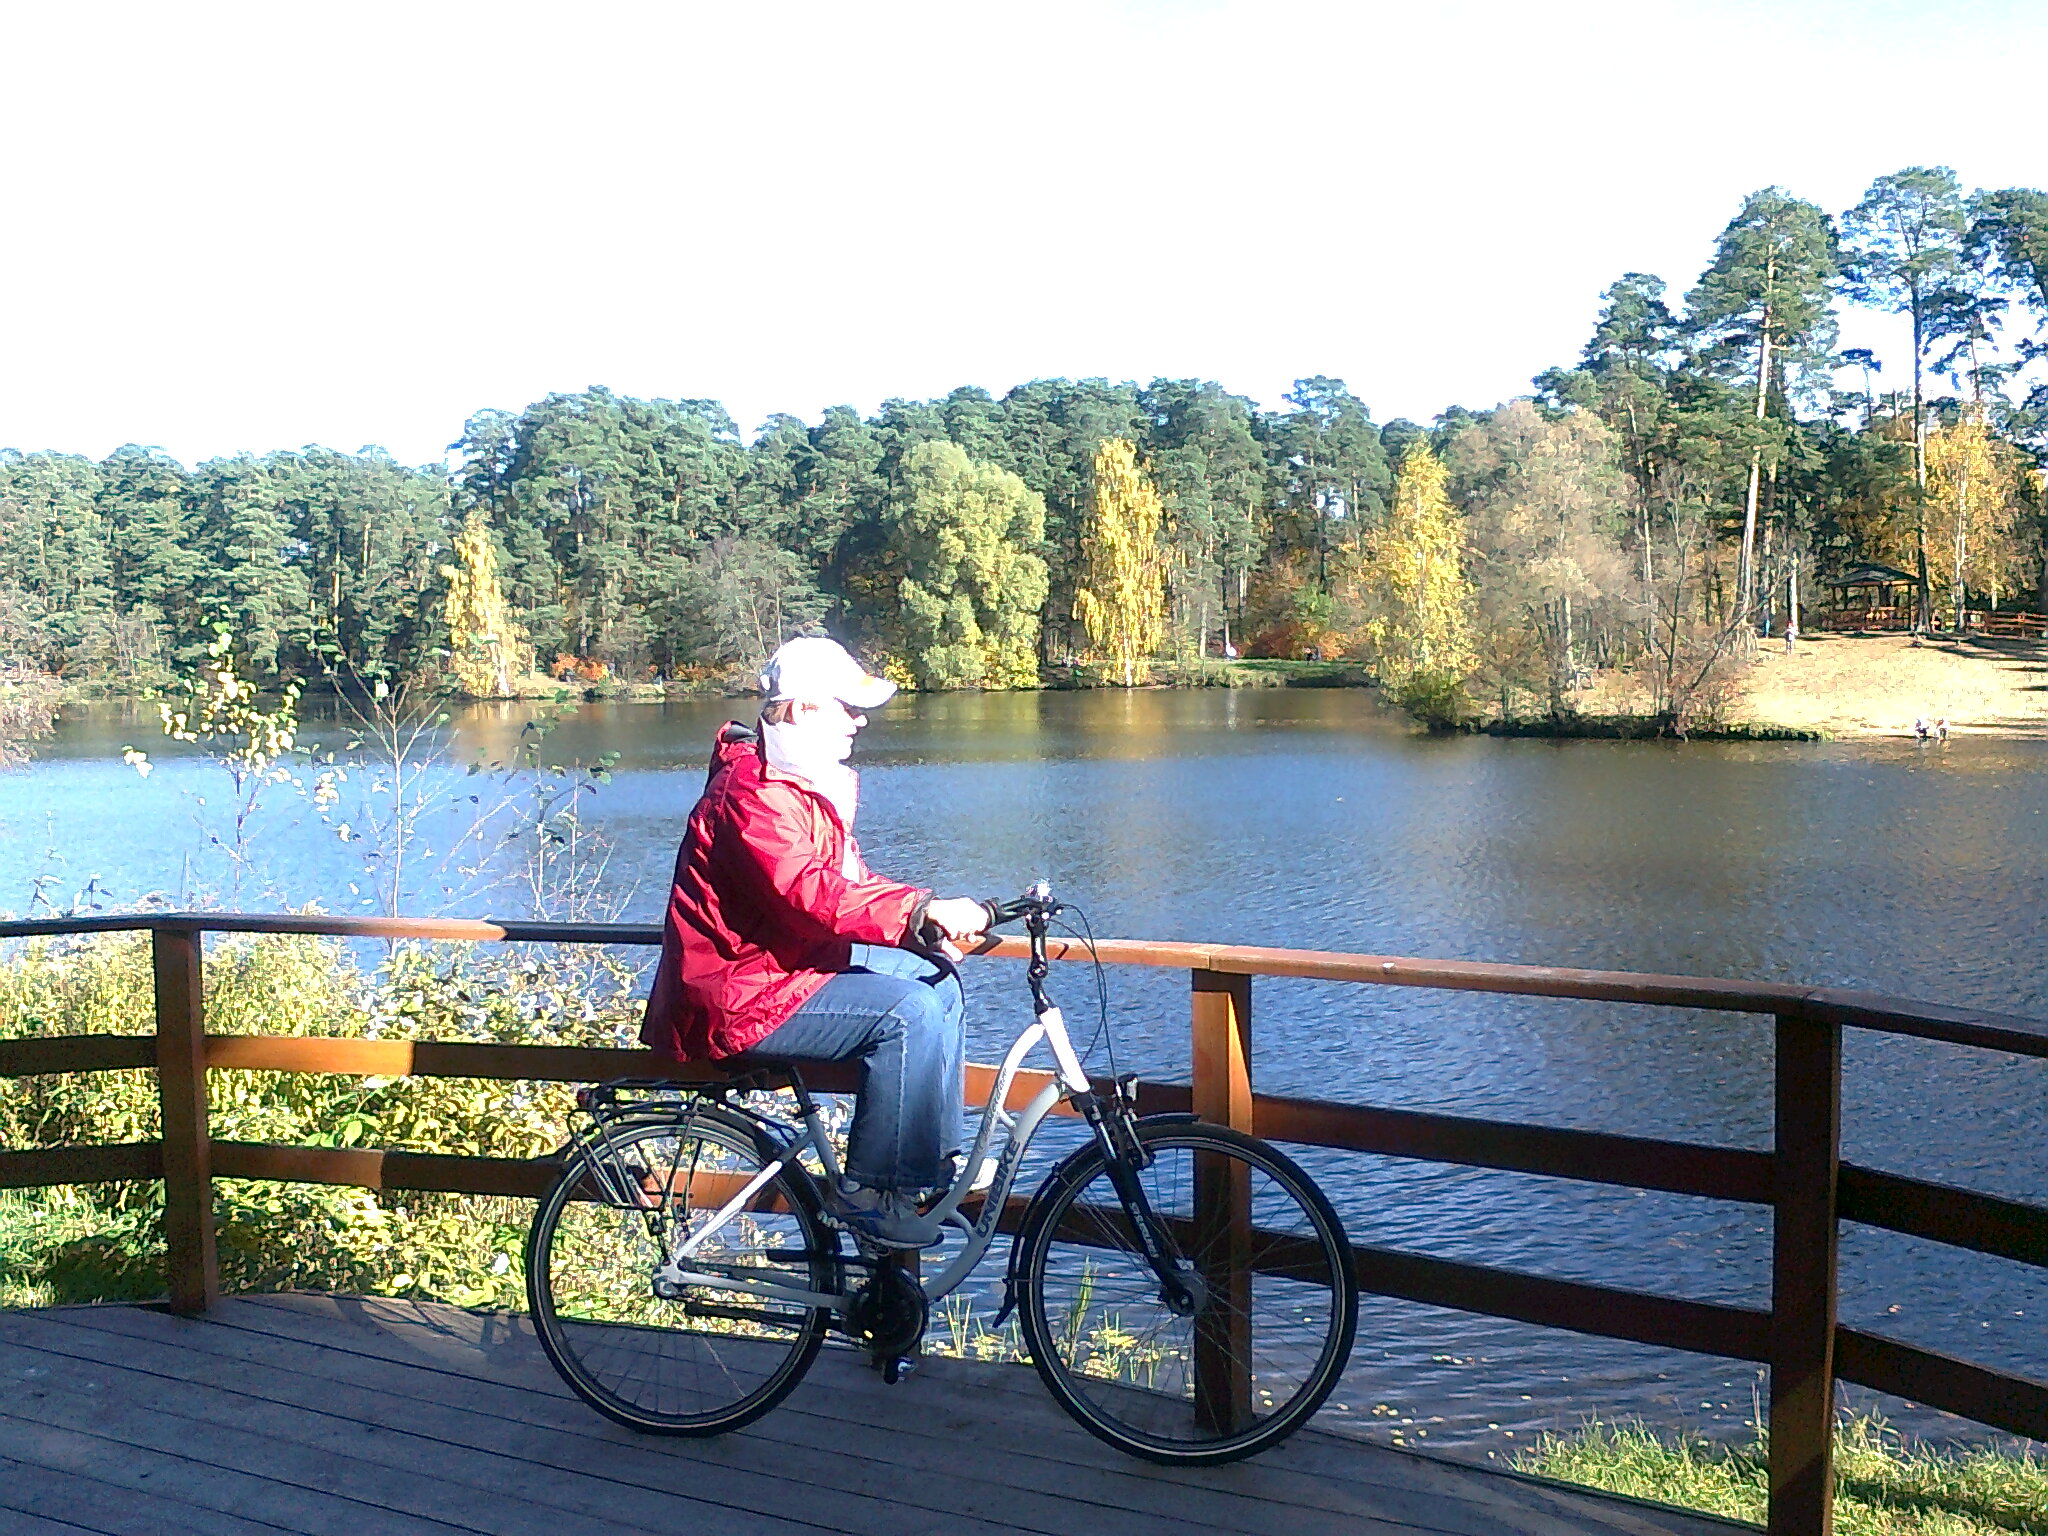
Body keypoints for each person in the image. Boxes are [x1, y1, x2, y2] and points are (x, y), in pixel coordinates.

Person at [640, 636, 989, 1246]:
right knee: (907, 1012)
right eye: (847, 708)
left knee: (937, 982)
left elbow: (847, 884)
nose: (859, 721)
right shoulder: (754, 794)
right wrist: (919, 909)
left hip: (782, 977)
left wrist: (921, 926)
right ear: (803, 710)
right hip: (735, 999)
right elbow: (810, 892)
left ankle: (930, 1167)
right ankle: (872, 1194)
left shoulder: (799, 783)